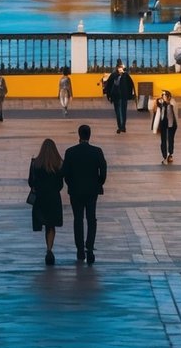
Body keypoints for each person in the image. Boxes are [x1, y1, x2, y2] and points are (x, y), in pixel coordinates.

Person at [62, 124, 107, 263]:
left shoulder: (70, 152)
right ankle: (90, 247)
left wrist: (71, 184)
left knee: (78, 219)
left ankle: (80, 249)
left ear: (79, 135)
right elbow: (103, 171)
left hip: (75, 191)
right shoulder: (97, 151)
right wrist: (98, 183)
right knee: (91, 219)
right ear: (89, 135)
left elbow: (65, 173)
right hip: (92, 191)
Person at [28, 138, 65, 265]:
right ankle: (49, 249)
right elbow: (61, 184)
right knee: (51, 225)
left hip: (40, 198)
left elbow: (31, 182)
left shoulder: (35, 163)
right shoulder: (59, 163)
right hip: (53, 198)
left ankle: (48, 250)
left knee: (44, 222)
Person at [105, 61, 135, 133]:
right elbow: (108, 86)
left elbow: (131, 85)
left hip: (123, 97)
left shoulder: (126, 76)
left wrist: (130, 95)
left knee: (123, 112)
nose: (121, 69)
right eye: (119, 67)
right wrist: (108, 95)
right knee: (118, 112)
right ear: (117, 68)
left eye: (122, 68)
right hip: (116, 96)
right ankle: (120, 126)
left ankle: (122, 127)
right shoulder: (113, 75)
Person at [152, 90, 178, 163]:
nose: (164, 97)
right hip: (163, 124)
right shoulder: (160, 104)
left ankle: (170, 154)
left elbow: (173, 106)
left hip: (171, 124)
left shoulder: (172, 103)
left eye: (166, 96)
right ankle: (164, 156)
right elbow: (152, 107)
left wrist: (167, 102)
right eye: (163, 96)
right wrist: (157, 101)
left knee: (170, 140)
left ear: (169, 97)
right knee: (163, 140)